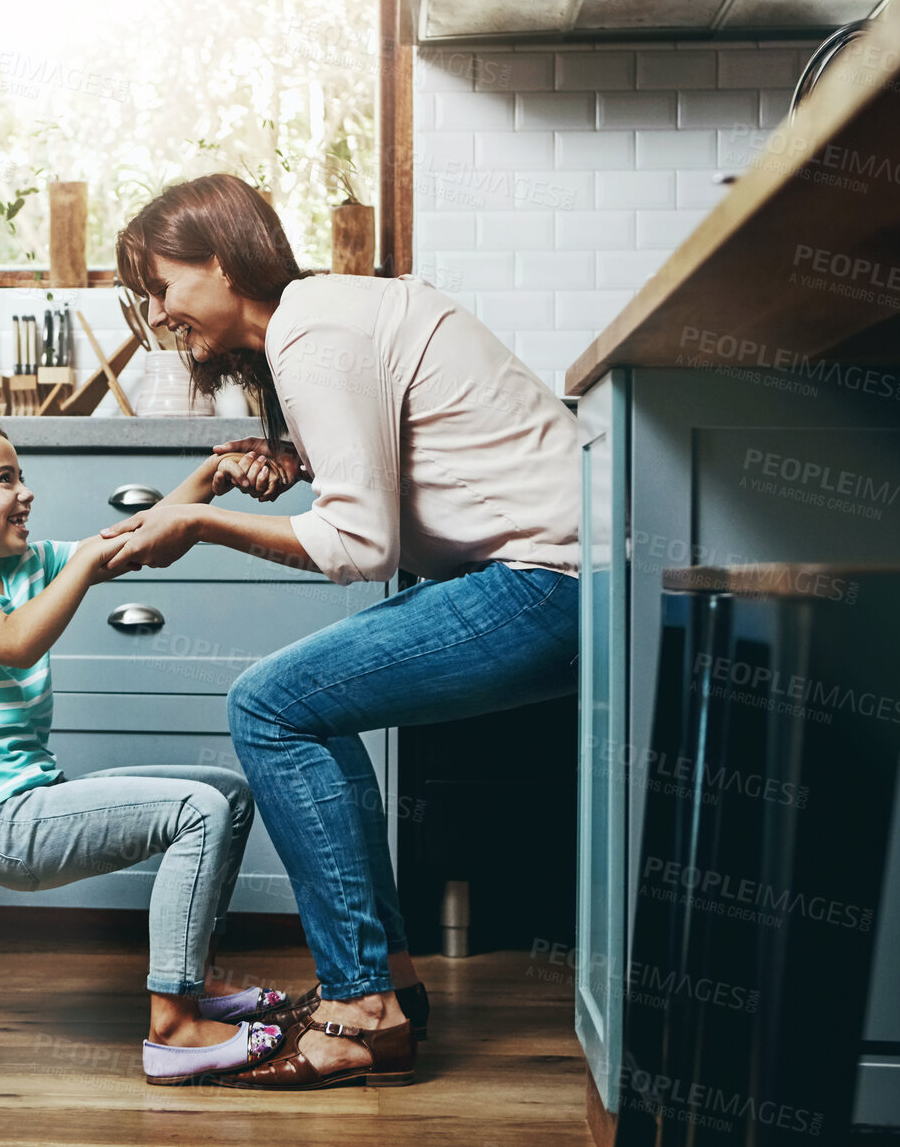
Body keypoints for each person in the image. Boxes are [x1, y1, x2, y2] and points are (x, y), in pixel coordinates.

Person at [103, 173, 581, 1090]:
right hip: (551, 575)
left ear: (219, 258)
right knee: (303, 708)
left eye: (164, 286)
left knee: (270, 705)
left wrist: (197, 523)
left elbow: (360, 544)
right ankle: (388, 986)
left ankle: (362, 1006)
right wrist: (299, 461)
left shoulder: (311, 331)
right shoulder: (323, 317)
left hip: (547, 582)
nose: (162, 315)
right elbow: (413, 468)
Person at [0, 417, 294, 1085]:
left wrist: (214, 478)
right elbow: (15, 640)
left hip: (37, 795)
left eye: (23, 474)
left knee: (227, 794)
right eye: (5, 478)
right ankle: (173, 1029)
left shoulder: (23, 566)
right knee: (198, 811)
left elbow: (140, 541)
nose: (27, 492)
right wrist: (85, 563)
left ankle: (191, 977)